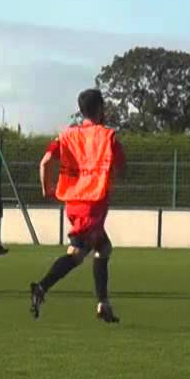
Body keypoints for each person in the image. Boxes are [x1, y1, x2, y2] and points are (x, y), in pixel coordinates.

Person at [29, 89, 125, 323]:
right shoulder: (107, 136)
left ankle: (103, 303)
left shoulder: (66, 136)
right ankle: (42, 287)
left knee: (102, 249)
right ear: (100, 108)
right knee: (77, 254)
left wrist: (47, 188)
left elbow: (44, 163)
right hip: (93, 204)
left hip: (73, 204)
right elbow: (120, 168)